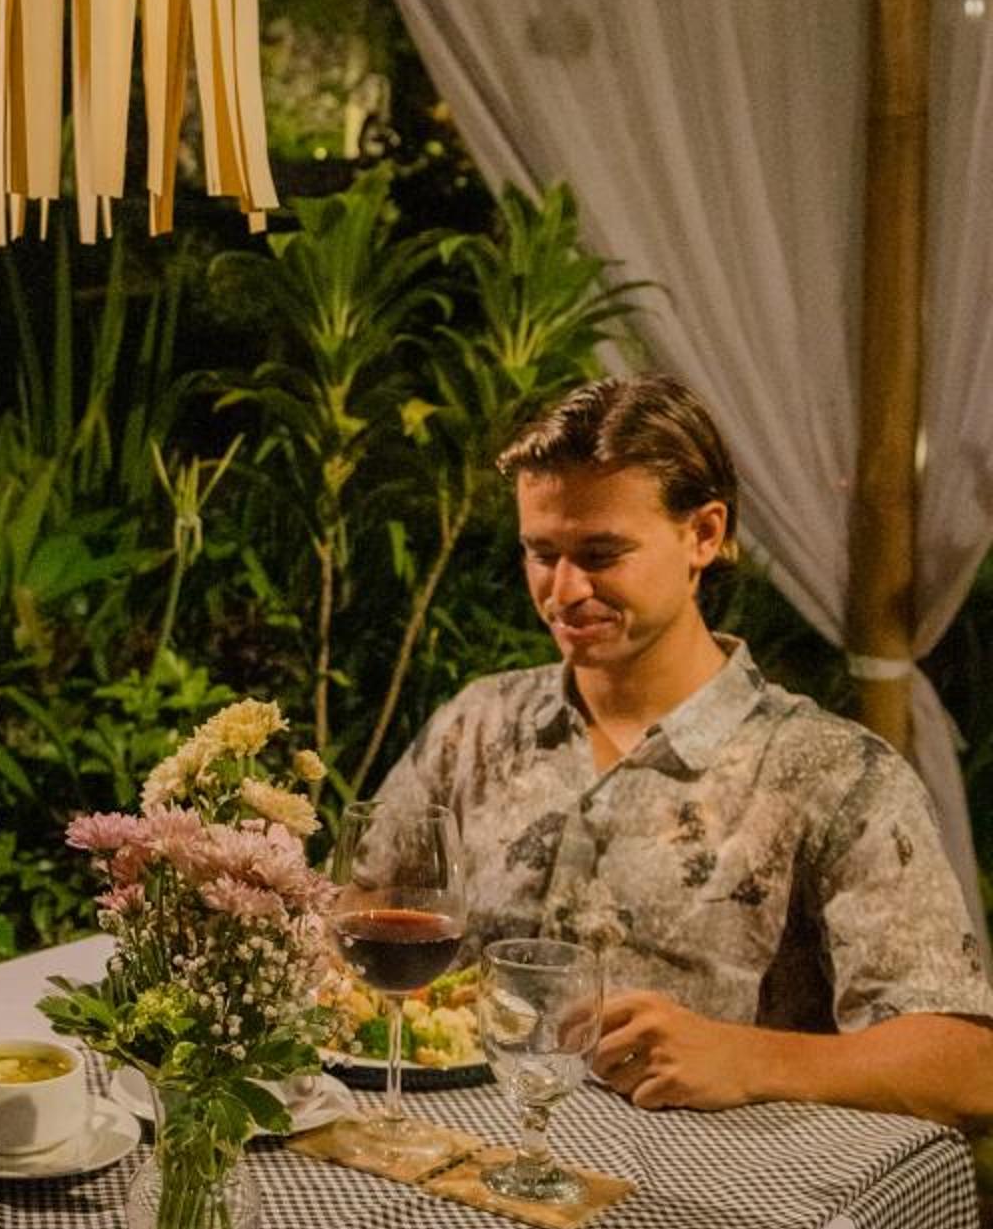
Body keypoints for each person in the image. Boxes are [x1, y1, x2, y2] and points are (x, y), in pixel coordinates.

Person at [375, 373, 993, 1127]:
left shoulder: (831, 774)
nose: (564, 591)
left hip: (715, 1191)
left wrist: (750, 1058)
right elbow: (356, 917)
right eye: (541, 553)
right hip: (460, 1161)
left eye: (601, 553)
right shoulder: (478, 725)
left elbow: (968, 1068)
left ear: (703, 534)